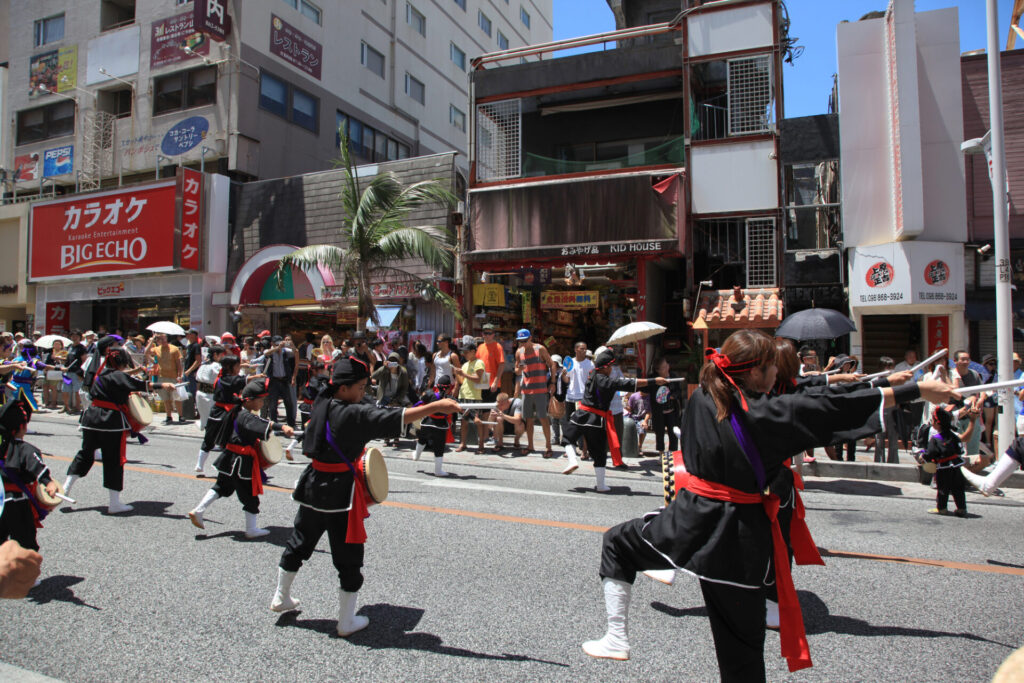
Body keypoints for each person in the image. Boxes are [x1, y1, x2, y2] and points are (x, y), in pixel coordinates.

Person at [584, 331, 958, 679]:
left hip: (686, 524)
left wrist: (876, 383)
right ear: (756, 373)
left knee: (618, 541)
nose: (779, 371)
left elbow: (807, 395)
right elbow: (823, 409)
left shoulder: (705, 394)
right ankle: (629, 634)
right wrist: (918, 390)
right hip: (737, 541)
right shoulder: (767, 415)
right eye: (772, 367)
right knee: (741, 658)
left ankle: (617, 635)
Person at [270, 357, 461, 637]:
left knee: (300, 541)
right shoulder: (352, 414)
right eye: (360, 387)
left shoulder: (323, 403)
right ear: (344, 388)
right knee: (348, 555)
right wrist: (436, 406)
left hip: (312, 485)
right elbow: (390, 419)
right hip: (340, 492)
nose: (363, 392)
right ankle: (346, 622)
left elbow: (374, 412)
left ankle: (280, 595)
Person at [63, 345, 176, 513]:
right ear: (122, 362)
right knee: (113, 460)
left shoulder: (102, 375)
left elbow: (124, 381)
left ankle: (65, 489)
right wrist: (163, 385)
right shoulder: (118, 376)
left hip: (91, 418)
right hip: (110, 421)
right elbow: (140, 385)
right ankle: (114, 504)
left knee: (85, 454)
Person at [188, 379, 293, 537]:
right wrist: (282, 427)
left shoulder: (237, 411)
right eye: (261, 400)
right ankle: (251, 530)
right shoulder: (246, 417)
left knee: (221, 486)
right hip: (241, 462)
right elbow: (261, 424)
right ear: (250, 400)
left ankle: (199, 510)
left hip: (229, 458)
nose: (262, 403)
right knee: (250, 496)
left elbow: (261, 421)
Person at [562, 348, 666, 490]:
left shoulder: (591, 375)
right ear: (604, 368)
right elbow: (629, 383)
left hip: (581, 415)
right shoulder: (607, 382)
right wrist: (654, 381)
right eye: (610, 366)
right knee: (599, 453)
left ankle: (572, 460)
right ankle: (601, 485)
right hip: (597, 421)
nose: (611, 369)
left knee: (568, 438)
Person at [0, 399, 57, 557]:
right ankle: (27, 578)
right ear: (23, 427)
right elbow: (37, 467)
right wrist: (49, 482)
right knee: (25, 539)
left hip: (0, 500)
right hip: (17, 503)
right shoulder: (26, 449)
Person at [194, 355, 250, 476]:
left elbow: (234, 392)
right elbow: (241, 381)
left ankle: (220, 466)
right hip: (222, 412)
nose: (239, 367)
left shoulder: (225, 377)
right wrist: (256, 377)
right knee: (212, 438)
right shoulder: (225, 378)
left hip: (226, 411)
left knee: (227, 441)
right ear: (230, 367)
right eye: (237, 365)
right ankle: (201, 465)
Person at [916, 406, 969, 517]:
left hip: (944, 468)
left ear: (938, 423)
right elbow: (960, 449)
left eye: (933, 420)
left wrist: (923, 458)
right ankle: (961, 508)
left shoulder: (935, 439)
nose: (932, 422)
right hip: (956, 466)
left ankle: (942, 508)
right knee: (958, 488)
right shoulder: (954, 436)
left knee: (943, 488)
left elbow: (930, 453)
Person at [514, 329, 556, 457]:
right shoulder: (519, 352)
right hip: (526, 390)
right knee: (529, 419)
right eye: (520, 341)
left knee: (543, 418)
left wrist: (552, 382)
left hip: (540, 390)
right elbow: (516, 371)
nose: (523, 344)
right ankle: (530, 445)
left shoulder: (540, 349)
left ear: (530, 338)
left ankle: (548, 447)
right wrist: (519, 369)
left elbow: (552, 364)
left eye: (525, 341)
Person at [412, 375, 457, 476]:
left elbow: (421, 399)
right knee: (439, 447)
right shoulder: (449, 399)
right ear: (449, 387)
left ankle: (416, 455)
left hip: (427, 422)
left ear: (437, 385)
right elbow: (460, 408)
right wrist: (473, 417)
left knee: (422, 439)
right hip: (440, 426)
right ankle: (438, 471)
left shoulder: (430, 394)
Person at [951, 350, 986, 467]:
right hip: (956, 416)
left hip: (972, 415)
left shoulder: (974, 374)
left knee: (973, 448)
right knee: (955, 447)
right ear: (955, 361)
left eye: (967, 359)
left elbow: (982, 391)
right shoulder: (951, 375)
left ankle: (972, 470)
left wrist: (980, 400)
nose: (966, 362)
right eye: (962, 359)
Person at [454, 342, 487, 454]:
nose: (464, 354)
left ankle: (481, 445)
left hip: (474, 396)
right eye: (463, 352)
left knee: (477, 421)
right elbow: (462, 381)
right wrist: (457, 374)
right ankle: (463, 443)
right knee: (464, 421)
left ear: (473, 351)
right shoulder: (465, 364)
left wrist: (462, 374)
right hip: (463, 395)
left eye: (466, 352)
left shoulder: (479, 363)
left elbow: (478, 378)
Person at [647, 356, 683, 457]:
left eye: (667, 365)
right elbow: (647, 390)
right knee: (659, 432)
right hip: (659, 411)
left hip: (671, 409)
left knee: (673, 432)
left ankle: (672, 453)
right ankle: (661, 453)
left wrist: (672, 396)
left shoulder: (673, 376)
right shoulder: (653, 378)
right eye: (663, 367)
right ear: (657, 370)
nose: (667, 367)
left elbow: (678, 392)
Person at [149, 333, 186, 424]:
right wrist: (152, 341)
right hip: (162, 377)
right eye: (160, 339)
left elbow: (179, 364)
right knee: (166, 398)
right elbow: (146, 352)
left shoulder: (174, 348)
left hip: (174, 376)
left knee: (177, 398)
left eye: (164, 338)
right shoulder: (157, 349)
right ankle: (168, 416)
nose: (163, 340)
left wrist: (180, 375)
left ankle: (180, 416)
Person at [263, 335, 297, 428]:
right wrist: (277, 348)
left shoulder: (285, 351)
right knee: (273, 405)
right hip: (273, 381)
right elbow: (266, 353)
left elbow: (295, 352)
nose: (279, 344)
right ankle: (275, 424)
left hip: (284, 381)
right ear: (272, 343)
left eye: (280, 342)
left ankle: (291, 424)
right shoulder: (270, 351)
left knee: (288, 403)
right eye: (276, 343)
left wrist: (291, 345)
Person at [195, 345, 226, 432]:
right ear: (215, 355)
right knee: (212, 418)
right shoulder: (216, 365)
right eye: (222, 354)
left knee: (205, 418)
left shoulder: (203, 364)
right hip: (210, 395)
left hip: (200, 394)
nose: (223, 357)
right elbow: (223, 377)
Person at [477, 324, 506, 403]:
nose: (487, 335)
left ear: (493, 334)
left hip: (492, 383)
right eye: (485, 333)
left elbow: (501, 365)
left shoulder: (497, 346)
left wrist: (496, 382)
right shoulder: (480, 347)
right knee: (482, 409)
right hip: (482, 382)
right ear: (482, 334)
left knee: (492, 409)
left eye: (489, 333)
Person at [181, 329, 203, 419]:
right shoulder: (189, 346)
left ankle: (198, 412)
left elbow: (198, 361)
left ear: (194, 335)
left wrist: (189, 371)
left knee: (193, 394)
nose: (187, 336)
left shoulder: (196, 346)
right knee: (188, 394)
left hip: (191, 374)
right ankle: (189, 412)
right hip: (186, 373)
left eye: (188, 334)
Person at [549, 354, 569, 446]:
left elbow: (567, 383)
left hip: (563, 398)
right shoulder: (549, 373)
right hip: (553, 398)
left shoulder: (563, 372)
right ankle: (555, 438)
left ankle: (565, 438)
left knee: (563, 420)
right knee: (554, 420)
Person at [42, 339, 67, 410]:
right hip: (48, 371)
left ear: (61, 345)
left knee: (53, 387)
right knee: (45, 386)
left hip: (56, 371)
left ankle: (53, 403)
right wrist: (45, 369)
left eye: (58, 344)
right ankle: (46, 402)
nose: (56, 345)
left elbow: (65, 362)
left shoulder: (63, 353)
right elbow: (46, 362)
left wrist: (58, 359)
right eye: (55, 344)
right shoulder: (50, 353)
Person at [624, 389, 650, 454]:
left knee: (642, 428)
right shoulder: (634, 396)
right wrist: (625, 405)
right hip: (632, 416)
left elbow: (649, 412)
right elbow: (630, 409)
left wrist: (645, 421)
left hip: (642, 417)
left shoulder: (649, 397)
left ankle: (639, 446)